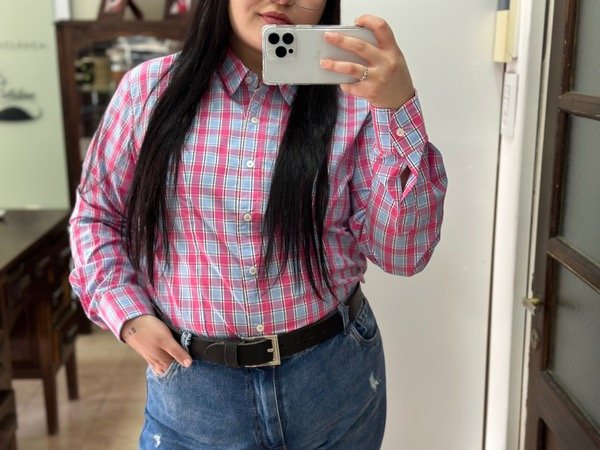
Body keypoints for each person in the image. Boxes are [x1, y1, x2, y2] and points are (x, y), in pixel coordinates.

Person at [69, 0, 447, 448]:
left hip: (331, 378)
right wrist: (128, 315)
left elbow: (403, 254)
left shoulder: (356, 100)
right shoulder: (147, 91)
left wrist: (398, 109)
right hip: (194, 387)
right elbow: (97, 214)